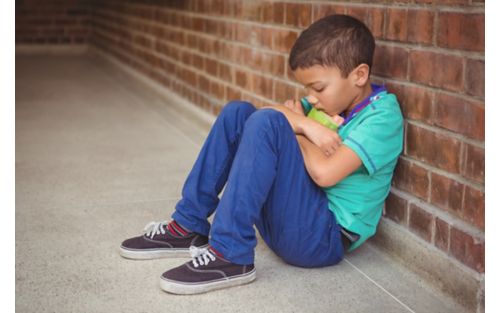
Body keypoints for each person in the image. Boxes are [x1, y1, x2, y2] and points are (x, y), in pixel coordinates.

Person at [119, 14, 404, 295]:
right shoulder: (329, 103)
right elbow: (273, 112)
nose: (312, 97)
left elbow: (325, 173)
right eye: (307, 89)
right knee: (238, 113)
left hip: (322, 239)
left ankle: (231, 255)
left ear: (359, 75)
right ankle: (188, 225)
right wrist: (306, 125)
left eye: (317, 88)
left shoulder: (381, 117)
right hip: (293, 220)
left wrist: (296, 128)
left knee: (269, 124)